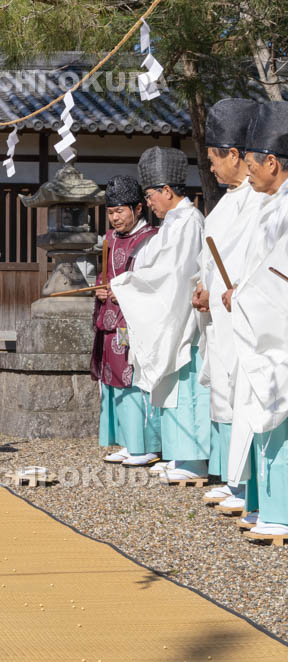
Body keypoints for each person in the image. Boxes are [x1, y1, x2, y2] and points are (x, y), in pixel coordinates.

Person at [109, 147, 211, 481]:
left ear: (167, 191)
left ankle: (193, 459)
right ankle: (180, 453)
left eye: (150, 195)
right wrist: (130, 282)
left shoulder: (189, 222)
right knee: (171, 389)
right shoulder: (173, 222)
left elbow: (174, 276)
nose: (148, 202)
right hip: (171, 315)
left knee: (186, 388)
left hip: (183, 320)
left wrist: (127, 284)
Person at [189, 98, 265, 505]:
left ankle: (251, 488)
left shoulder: (261, 200)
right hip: (222, 314)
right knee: (227, 392)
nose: (212, 167)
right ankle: (237, 480)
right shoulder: (230, 201)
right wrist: (205, 289)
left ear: (235, 154)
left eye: (215, 158)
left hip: (249, 315)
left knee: (247, 395)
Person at [225, 101, 288, 531]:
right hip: (259, 319)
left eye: (251, 164)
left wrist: (244, 294)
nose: (246, 173)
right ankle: (267, 506)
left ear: (271, 161)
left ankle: (280, 511)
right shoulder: (268, 205)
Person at [93, 176, 162, 466]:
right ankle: (125, 441)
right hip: (110, 317)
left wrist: (127, 293)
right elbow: (105, 274)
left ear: (137, 209)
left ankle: (146, 444)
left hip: (135, 319)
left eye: (120, 211)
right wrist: (99, 287)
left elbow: (153, 280)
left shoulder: (151, 238)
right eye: (110, 212)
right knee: (111, 379)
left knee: (134, 377)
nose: (115, 217)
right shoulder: (109, 239)